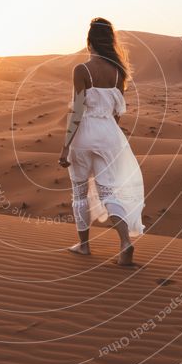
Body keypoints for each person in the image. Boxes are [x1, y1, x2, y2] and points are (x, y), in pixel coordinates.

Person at [58, 17, 145, 266]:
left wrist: (65, 147)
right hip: (109, 135)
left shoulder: (81, 70)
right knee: (108, 193)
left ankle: (84, 246)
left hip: (84, 134)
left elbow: (77, 111)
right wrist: (109, 139)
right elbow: (116, 114)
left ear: (89, 42)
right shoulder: (119, 72)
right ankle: (125, 242)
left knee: (79, 192)